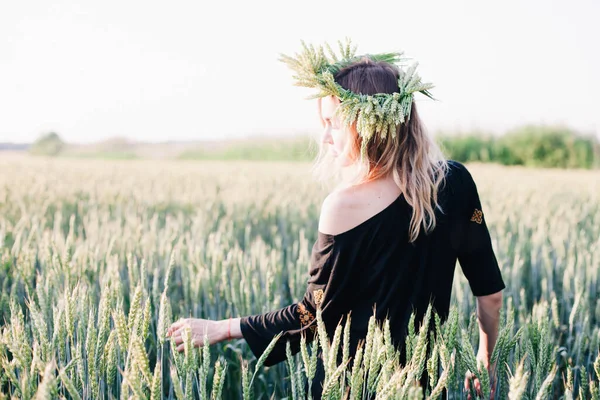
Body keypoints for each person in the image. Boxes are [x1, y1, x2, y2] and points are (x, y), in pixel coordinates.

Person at [166, 41, 505, 399]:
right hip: (424, 386)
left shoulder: (343, 206)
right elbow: (491, 295)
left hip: (351, 386)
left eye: (333, 124)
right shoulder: (456, 182)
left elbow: (313, 315)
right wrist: (486, 361)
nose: (325, 137)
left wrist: (224, 327)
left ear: (368, 126)